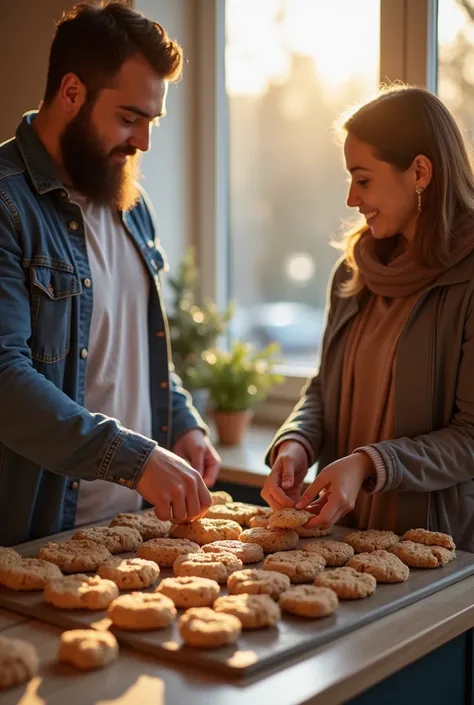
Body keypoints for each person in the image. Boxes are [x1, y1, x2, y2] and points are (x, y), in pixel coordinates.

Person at [0, 1, 221, 546]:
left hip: (134, 529)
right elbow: (4, 376)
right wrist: (135, 457)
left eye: (151, 121)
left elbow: (131, 349)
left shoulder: (131, 205)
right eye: (128, 118)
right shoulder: (6, 203)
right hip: (38, 537)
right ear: (71, 93)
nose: (143, 142)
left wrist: (183, 422)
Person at [262, 85, 474, 552]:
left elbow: (470, 438)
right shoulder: (353, 271)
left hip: (436, 551)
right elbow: (325, 385)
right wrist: (295, 443)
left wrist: (368, 464)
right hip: (338, 538)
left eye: (363, 179)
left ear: (419, 171)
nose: (351, 199)